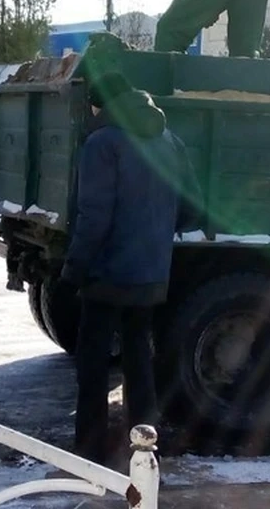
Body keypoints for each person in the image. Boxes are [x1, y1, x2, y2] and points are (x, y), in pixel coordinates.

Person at [55, 73, 201, 470]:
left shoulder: (103, 143)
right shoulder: (170, 141)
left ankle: (89, 448)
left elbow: (94, 217)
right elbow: (191, 208)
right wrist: (153, 238)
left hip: (106, 273)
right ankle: (144, 444)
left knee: (93, 361)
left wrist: (74, 270)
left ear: (100, 105)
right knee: (139, 357)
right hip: (150, 272)